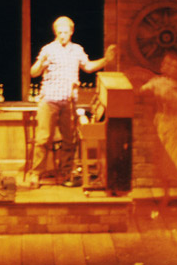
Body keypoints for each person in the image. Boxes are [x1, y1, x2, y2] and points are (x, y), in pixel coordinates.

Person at [30, 16, 116, 187]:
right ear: (55, 32)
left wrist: (106, 60)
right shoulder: (48, 49)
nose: (62, 35)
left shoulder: (77, 50)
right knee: (43, 139)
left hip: (69, 102)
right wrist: (41, 63)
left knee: (69, 140)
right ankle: (36, 174)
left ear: (71, 32)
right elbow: (33, 73)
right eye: (59, 32)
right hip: (49, 100)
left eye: (65, 32)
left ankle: (66, 174)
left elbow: (88, 67)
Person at [139, 52, 177, 208]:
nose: (164, 66)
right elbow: (142, 90)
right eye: (164, 63)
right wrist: (147, 86)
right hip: (163, 122)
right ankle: (166, 195)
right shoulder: (158, 81)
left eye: (169, 64)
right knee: (165, 159)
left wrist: (174, 96)